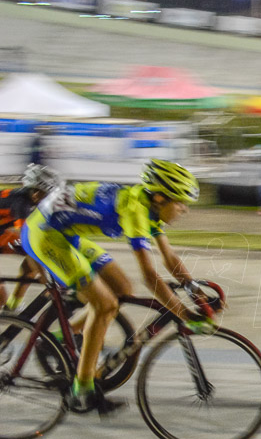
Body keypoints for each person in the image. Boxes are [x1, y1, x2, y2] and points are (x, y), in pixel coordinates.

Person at [21, 159, 210, 415]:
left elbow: (169, 257)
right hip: (44, 234)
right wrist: (184, 314)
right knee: (105, 304)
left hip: (67, 233)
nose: (184, 209)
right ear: (160, 197)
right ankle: (83, 389)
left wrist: (193, 287)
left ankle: (57, 340)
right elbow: (150, 276)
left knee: (122, 287)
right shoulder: (135, 210)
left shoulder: (151, 208)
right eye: (181, 201)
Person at [0, 164, 65, 311]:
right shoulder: (21, 203)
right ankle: (9, 311)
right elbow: (28, 240)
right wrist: (46, 276)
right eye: (48, 195)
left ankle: (12, 308)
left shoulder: (26, 199)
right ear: (36, 193)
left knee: (31, 264)